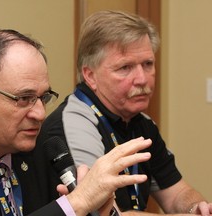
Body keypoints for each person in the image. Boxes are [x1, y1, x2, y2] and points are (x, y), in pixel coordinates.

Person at [0, 29, 153, 216]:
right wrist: (76, 203)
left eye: (43, 98)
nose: (40, 113)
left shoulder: (39, 145)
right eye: (23, 99)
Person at [36, 10, 212, 215]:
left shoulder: (140, 122)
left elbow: (177, 192)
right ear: (90, 75)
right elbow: (109, 214)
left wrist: (196, 208)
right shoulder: (73, 123)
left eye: (148, 64)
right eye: (125, 67)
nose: (142, 79)